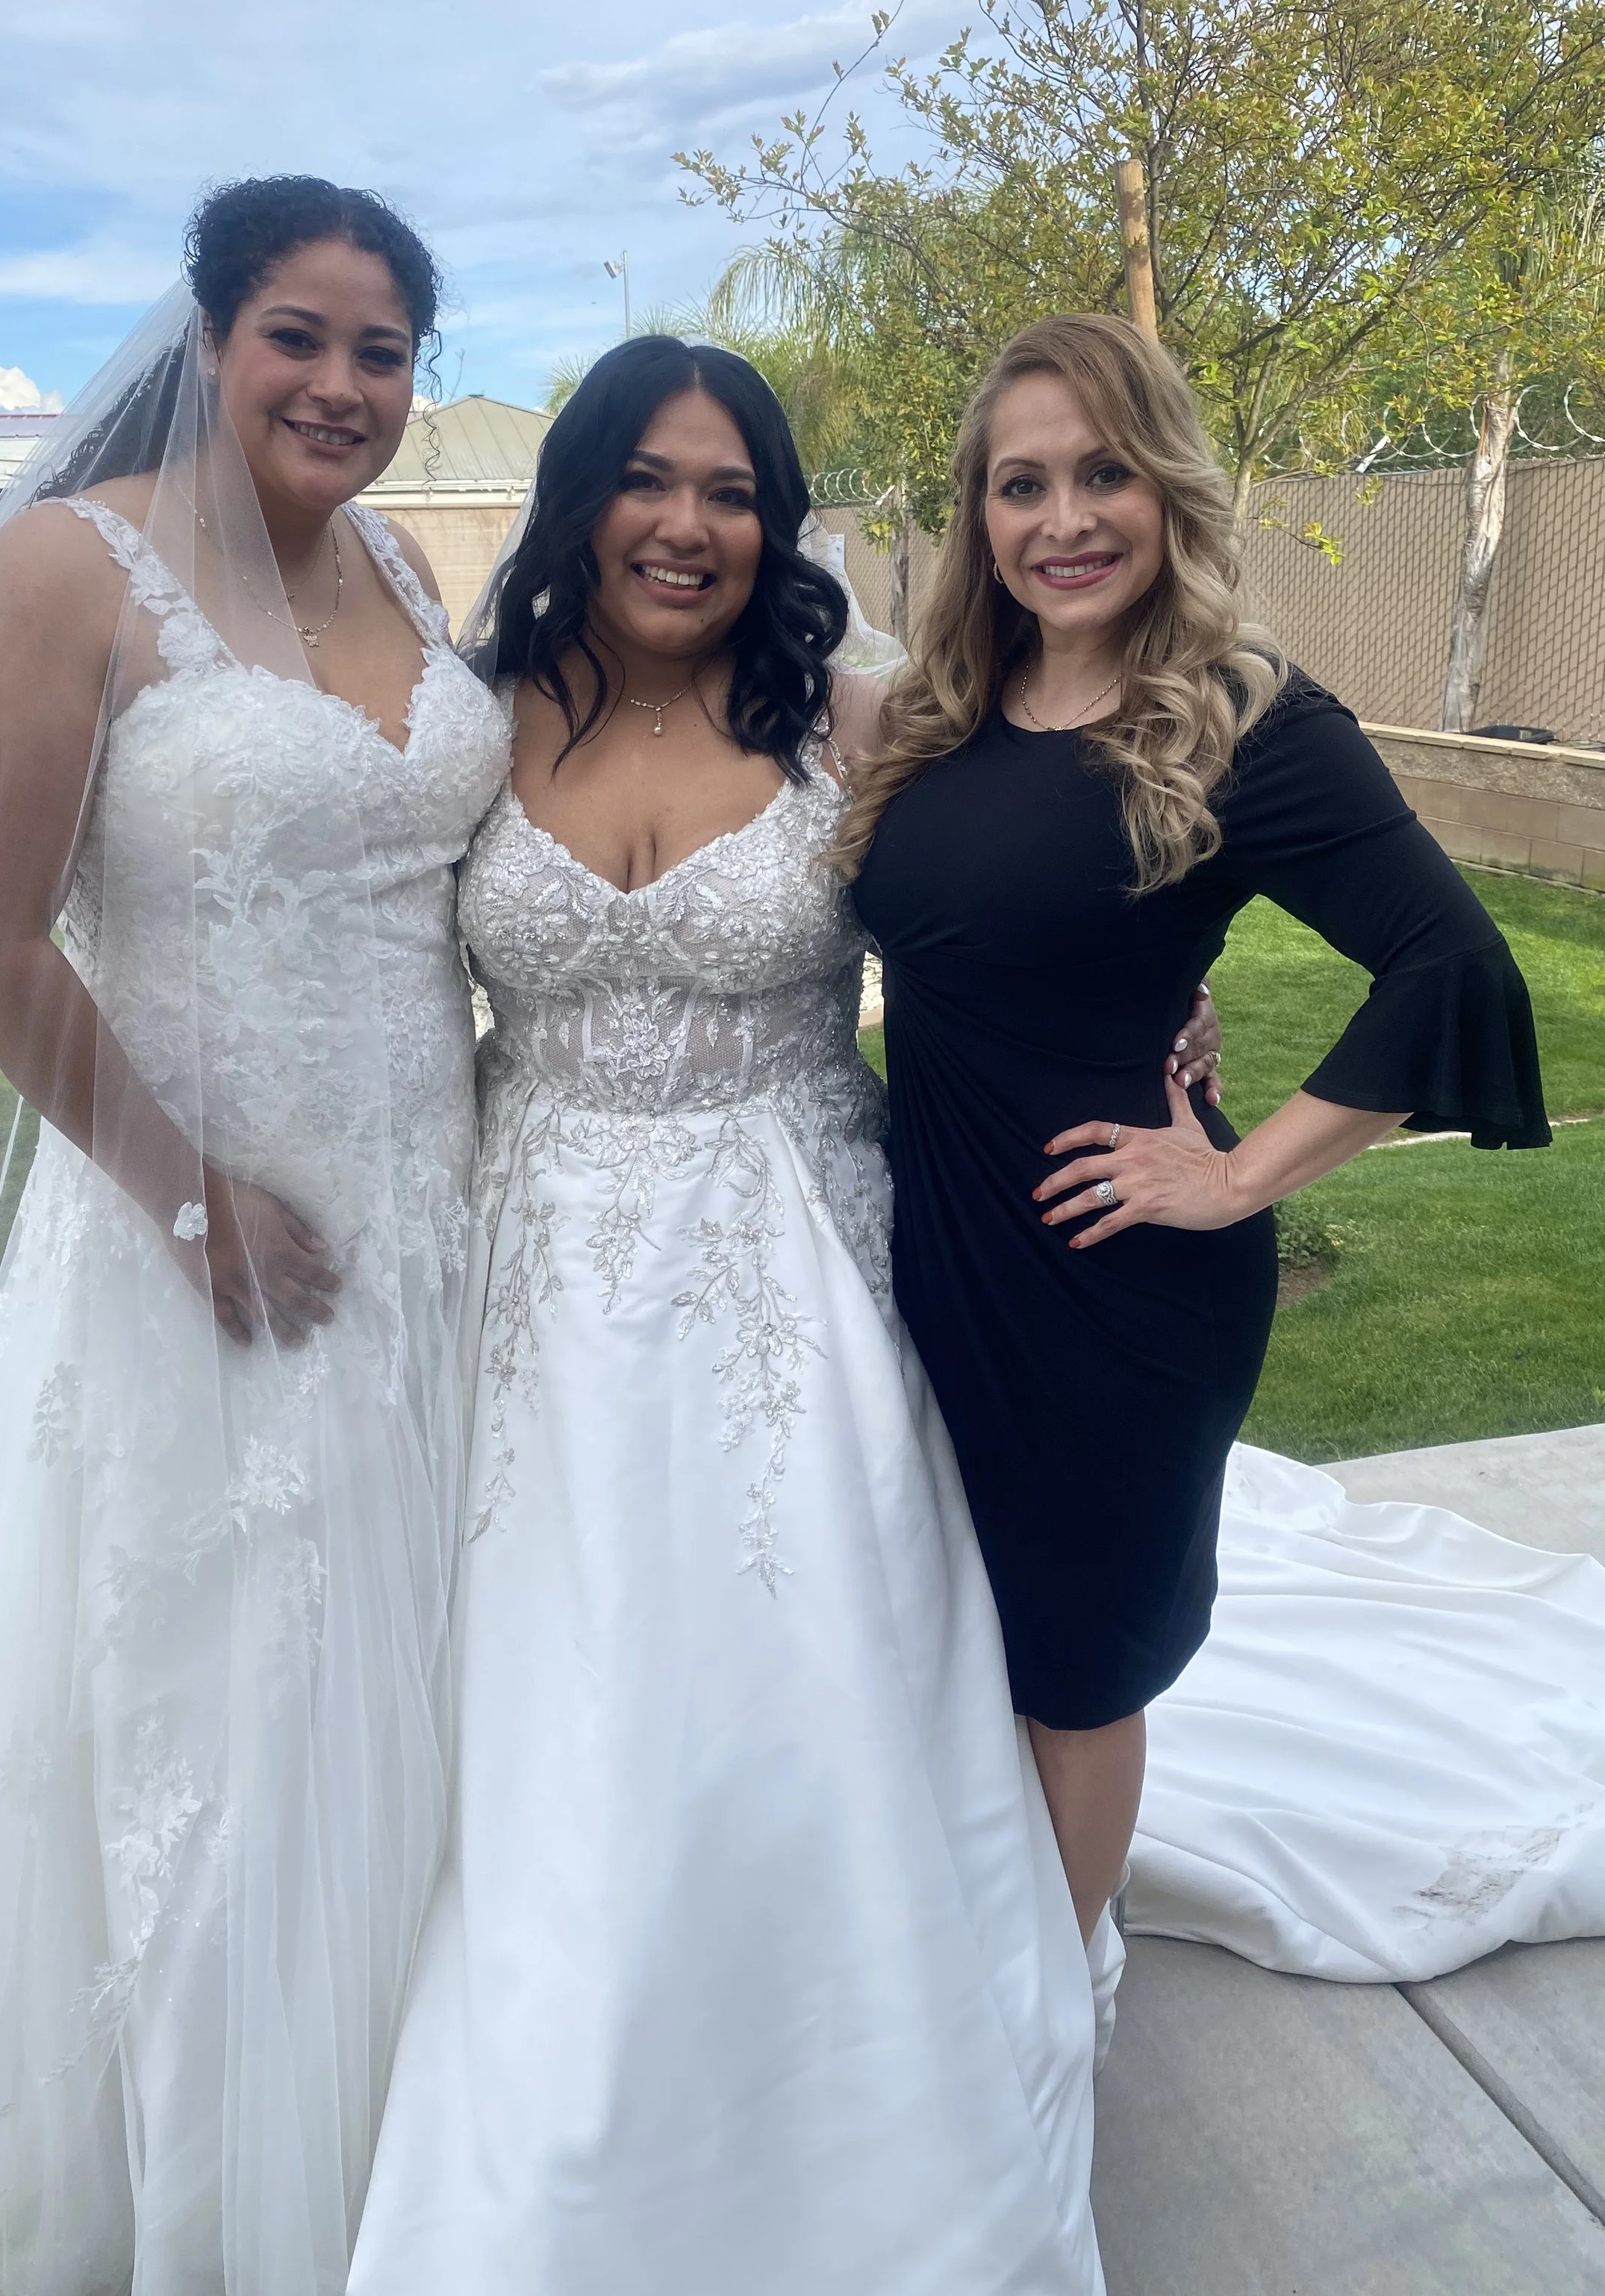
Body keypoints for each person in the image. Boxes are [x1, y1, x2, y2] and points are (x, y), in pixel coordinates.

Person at [347, 339, 1208, 2296]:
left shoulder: (862, 716)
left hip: (804, 1266)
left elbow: (1055, 882)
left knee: (824, 1657)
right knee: (559, 1686)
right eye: (647, 480)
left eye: (731, 489)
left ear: (777, 515)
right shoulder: (471, 720)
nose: (687, 523)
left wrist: (1154, 1023)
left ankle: (897, 2042)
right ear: (577, 499)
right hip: (531, 1272)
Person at [0, 176, 508, 2292]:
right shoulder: (65, 578)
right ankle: (244, 2171)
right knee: (237, 1726)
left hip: (432, 1232)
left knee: (424, 1688)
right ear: (207, 334)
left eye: (381, 347)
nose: (342, 384)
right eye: (298, 333)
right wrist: (186, 1200)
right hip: (206, 1256)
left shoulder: (403, 566)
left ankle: (451, 2136)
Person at [841, 313, 1551, 1949]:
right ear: (975, 514)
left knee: (1075, 1673)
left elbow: (1449, 964)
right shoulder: (943, 711)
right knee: (964, 1643)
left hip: (1113, 1276)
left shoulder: (1237, 717)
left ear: (1164, 486)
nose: (1063, 517)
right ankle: (971, 1953)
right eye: (1019, 483)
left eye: (1102, 472)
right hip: (931, 1253)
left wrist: (1236, 1172)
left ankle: (1046, 2004)